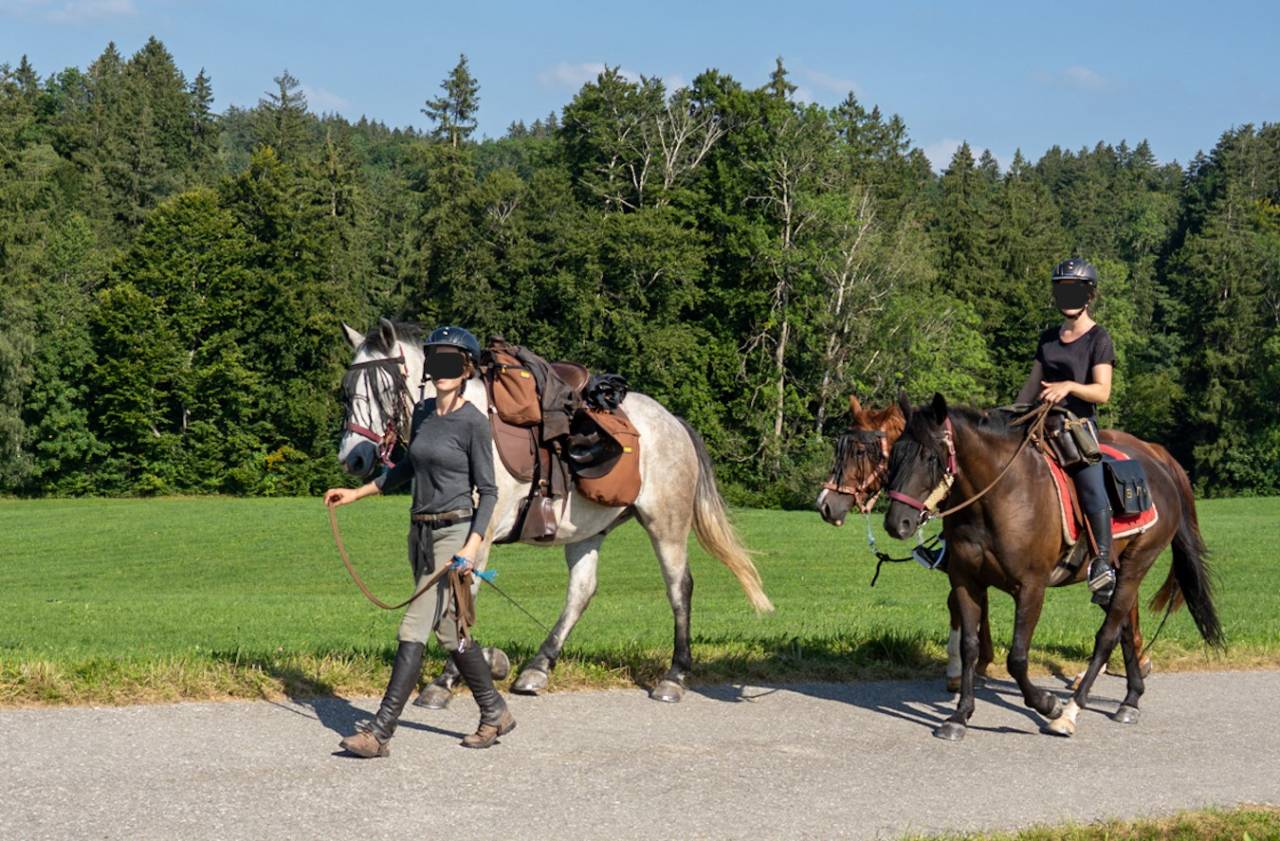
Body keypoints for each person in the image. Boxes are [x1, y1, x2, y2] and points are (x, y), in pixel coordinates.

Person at [324, 325, 513, 756]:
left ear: (465, 370)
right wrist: (359, 492)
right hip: (420, 530)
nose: (443, 371)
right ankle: (495, 710)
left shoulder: (473, 423)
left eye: (452, 363)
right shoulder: (424, 414)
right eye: (437, 362)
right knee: (450, 633)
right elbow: (407, 467)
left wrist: (471, 545)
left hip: (453, 532)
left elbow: (490, 490)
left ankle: (380, 731)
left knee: (413, 626)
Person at [1016, 258, 1117, 605]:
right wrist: (1006, 417)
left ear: (1089, 295)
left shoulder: (1099, 339)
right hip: (1039, 423)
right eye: (1061, 290)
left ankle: (1103, 563)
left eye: (1073, 290)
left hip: (1077, 427)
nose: (1067, 297)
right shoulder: (1048, 338)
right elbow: (1030, 387)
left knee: (1090, 485)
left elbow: (1102, 392)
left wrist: (1070, 386)